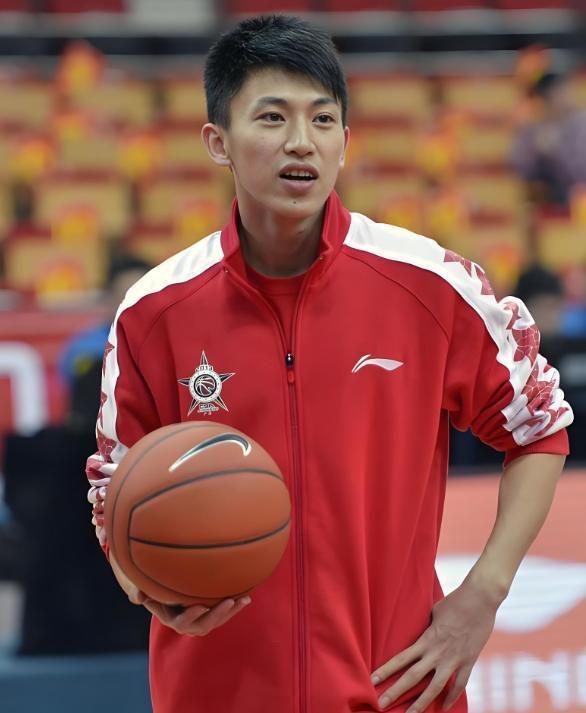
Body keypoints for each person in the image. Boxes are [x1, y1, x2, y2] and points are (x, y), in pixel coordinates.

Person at [85, 16, 573, 713]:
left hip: (398, 690)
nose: (300, 141)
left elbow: (541, 428)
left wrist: (482, 595)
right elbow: (113, 489)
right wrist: (150, 587)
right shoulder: (153, 310)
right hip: (214, 695)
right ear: (217, 141)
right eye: (272, 117)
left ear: (345, 140)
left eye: (322, 119)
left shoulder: (431, 284)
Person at [59, 253, 151, 386]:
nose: (137, 306)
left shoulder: (172, 343)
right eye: (127, 297)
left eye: (144, 297)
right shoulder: (86, 349)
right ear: (109, 300)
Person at [511, 71, 586, 206]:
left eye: (565, 92)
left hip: (578, 195)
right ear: (545, 100)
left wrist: (555, 151)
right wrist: (535, 146)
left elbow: (578, 173)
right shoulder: (534, 127)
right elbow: (521, 169)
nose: (565, 98)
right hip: (547, 198)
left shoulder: (581, 123)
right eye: (557, 95)